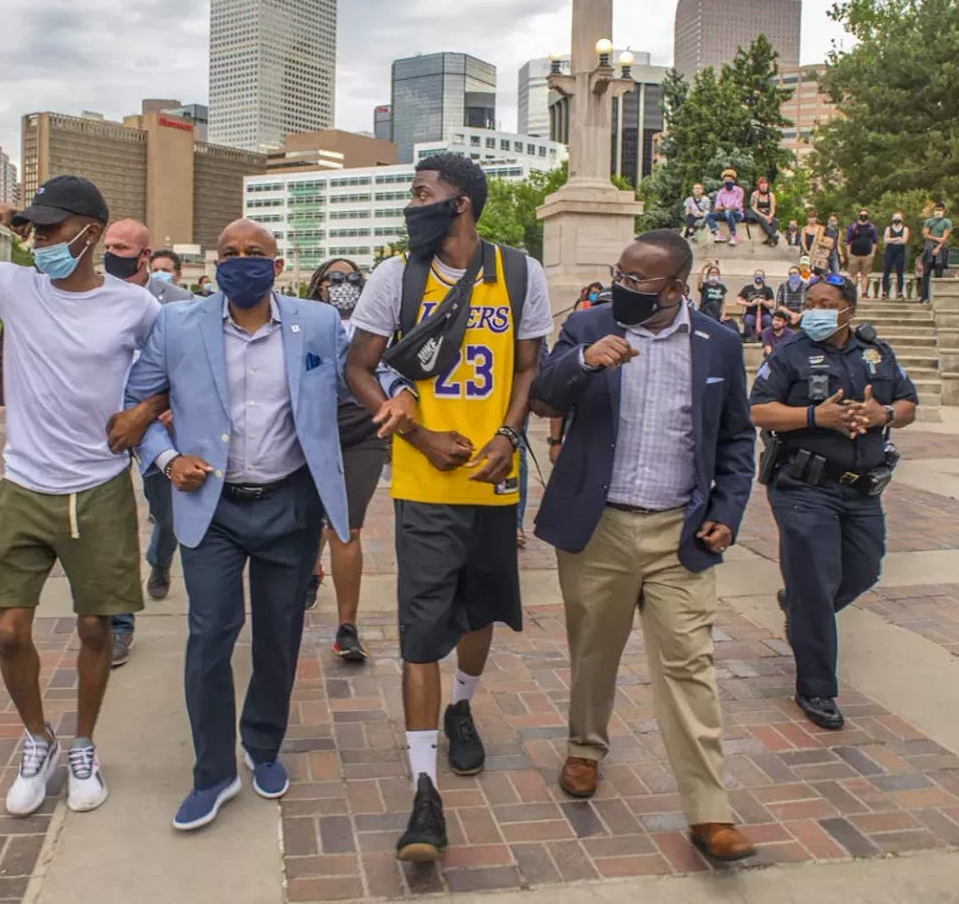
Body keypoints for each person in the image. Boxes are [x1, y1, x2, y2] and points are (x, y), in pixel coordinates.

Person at [0, 176, 155, 814]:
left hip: (98, 486)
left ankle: (84, 744)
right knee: (11, 630)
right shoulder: (14, 286)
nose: (39, 239)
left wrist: (145, 411)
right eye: (34, 228)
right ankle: (36, 736)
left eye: (51, 229)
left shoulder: (134, 307)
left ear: (89, 234)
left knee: (96, 625)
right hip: (24, 484)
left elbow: (175, 373)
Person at [106, 218, 350, 832]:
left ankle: (262, 745)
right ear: (215, 265)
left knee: (279, 634)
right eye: (229, 253)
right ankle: (212, 772)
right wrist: (167, 458)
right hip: (212, 507)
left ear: (277, 262)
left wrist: (401, 396)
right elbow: (140, 405)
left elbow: (360, 381)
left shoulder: (317, 323)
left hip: (289, 503)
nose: (241, 261)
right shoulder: (177, 323)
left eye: (254, 253)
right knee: (210, 635)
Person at [344, 152, 551, 864]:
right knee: (420, 629)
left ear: (459, 203)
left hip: (492, 481)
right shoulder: (394, 275)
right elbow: (358, 367)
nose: (414, 204)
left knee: (482, 611)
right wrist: (419, 432)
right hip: (424, 483)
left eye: (423, 193)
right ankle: (423, 789)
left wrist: (509, 433)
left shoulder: (518, 272)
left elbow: (528, 366)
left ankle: (463, 704)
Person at [529, 229, 757, 863]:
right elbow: (543, 394)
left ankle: (709, 812)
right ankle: (585, 746)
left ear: (677, 288)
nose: (623, 287)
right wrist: (583, 361)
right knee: (593, 649)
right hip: (597, 527)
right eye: (620, 275)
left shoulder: (720, 344)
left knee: (689, 665)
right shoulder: (590, 323)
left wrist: (727, 512)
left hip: (678, 535)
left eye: (639, 282)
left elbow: (738, 441)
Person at [750, 274, 918, 730]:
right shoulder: (790, 353)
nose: (816, 310)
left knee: (864, 570)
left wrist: (882, 413)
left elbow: (907, 404)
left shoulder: (877, 353)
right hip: (804, 488)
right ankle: (817, 688)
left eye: (826, 302)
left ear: (849, 310)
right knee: (815, 584)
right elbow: (759, 410)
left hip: (860, 489)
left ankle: (801, 607)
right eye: (810, 302)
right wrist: (813, 415)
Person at [101, 218, 193, 666]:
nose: (112, 252)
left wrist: (171, 402)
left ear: (143, 254)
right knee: (114, 532)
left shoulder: (177, 303)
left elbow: (192, 361)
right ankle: (120, 625)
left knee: (168, 516)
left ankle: (160, 560)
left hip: (158, 427)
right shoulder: (91, 294)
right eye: (108, 244)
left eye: (122, 246)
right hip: (109, 429)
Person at [302, 258, 388, 661]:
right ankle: (311, 570)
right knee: (315, 520)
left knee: (346, 527)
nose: (343, 284)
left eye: (352, 278)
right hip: (314, 431)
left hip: (362, 432)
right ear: (319, 285)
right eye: (334, 278)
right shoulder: (303, 324)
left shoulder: (376, 326)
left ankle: (346, 627)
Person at [919, 201, 953, 303]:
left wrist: (938, 247)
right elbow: (925, 234)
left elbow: (945, 237)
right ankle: (924, 297)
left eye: (940, 210)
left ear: (943, 211)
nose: (938, 212)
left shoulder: (947, 222)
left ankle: (937, 298)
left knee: (939, 272)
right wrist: (937, 239)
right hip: (929, 248)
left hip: (941, 249)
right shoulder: (929, 221)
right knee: (926, 273)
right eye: (936, 210)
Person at [844, 210, 878, 296]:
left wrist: (873, 253)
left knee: (865, 275)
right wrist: (849, 254)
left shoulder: (871, 227)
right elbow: (848, 241)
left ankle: (864, 292)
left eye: (865, 215)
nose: (863, 217)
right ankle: (852, 292)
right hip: (854, 254)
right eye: (861, 215)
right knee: (853, 274)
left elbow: (874, 241)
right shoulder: (853, 227)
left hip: (866, 255)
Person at [736, 270, 775, 342]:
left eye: (760, 275)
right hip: (751, 312)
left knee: (768, 321)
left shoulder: (768, 289)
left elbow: (771, 304)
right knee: (748, 320)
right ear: (754, 277)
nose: (758, 276)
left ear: (764, 277)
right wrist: (750, 304)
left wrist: (763, 301)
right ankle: (750, 338)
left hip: (764, 313)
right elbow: (738, 300)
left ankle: (765, 338)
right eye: (757, 275)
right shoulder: (747, 288)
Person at [708, 169, 743, 245]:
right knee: (709, 215)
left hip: (737, 214)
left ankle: (733, 235)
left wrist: (725, 208)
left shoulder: (739, 190)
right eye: (725, 180)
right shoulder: (721, 192)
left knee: (728, 212)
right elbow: (717, 207)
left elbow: (737, 206)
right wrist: (726, 208)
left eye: (730, 180)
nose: (727, 182)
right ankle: (718, 233)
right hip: (725, 213)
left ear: (733, 181)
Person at [881, 212, 909, 299]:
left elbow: (904, 241)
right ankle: (885, 291)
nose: (897, 221)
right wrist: (897, 239)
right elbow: (886, 240)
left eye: (898, 219)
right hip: (890, 250)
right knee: (886, 271)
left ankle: (900, 292)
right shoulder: (888, 228)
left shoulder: (905, 229)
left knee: (899, 272)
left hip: (900, 251)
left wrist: (892, 239)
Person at [744, 177, 779, 246]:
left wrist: (770, 216)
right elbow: (754, 208)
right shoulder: (755, 194)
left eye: (765, 183)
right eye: (761, 183)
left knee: (775, 221)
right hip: (758, 213)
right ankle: (771, 235)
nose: (763, 185)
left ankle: (770, 238)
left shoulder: (771, 195)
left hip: (767, 213)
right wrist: (764, 217)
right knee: (762, 219)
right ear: (759, 185)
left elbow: (773, 209)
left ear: (767, 185)